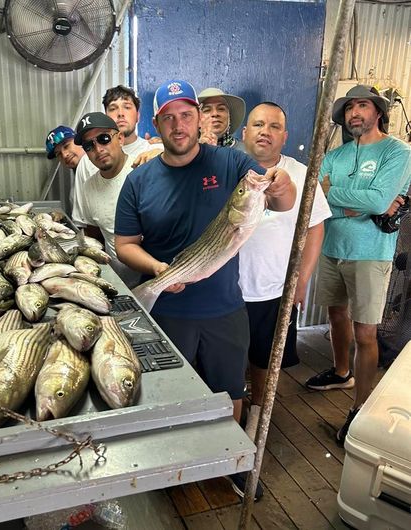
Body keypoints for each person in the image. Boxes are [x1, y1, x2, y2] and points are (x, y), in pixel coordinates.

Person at [114, 80, 296, 500]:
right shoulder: (139, 180)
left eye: (186, 115)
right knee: (167, 394)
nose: (179, 125)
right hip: (166, 310)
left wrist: (282, 186)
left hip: (224, 308)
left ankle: (226, 462)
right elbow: (125, 246)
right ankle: (173, 465)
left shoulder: (232, 164)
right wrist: (160, 269)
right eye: (169, 118)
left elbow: (281, 202)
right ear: (155, 123)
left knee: (229, 390)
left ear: (198, 117)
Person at [304, 85, 411, 445]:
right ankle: (340, 371)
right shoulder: (334, 156)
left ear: (377, 111)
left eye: (362, 105)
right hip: (333, 246)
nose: (354, 113)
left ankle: (360, 408)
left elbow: (381, 201)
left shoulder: (397, 152)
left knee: (366, 333)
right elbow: (315, 199)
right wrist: (352, 204)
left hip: (371, 253)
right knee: (336, 315)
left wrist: (338, 196)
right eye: (349, 107)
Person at [238, 102, 332, 440]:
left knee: (265, 361)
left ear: (285, 136)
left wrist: (302, 280)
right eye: (258, 124)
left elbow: (315, 228)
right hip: (227, 291)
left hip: (274, 288)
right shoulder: (229, 167)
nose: (265, 131)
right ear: (244, 132)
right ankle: (232, 415)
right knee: (229, 363)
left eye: (274, 126)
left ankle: (258, 420)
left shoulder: (302, 175)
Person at [72, 85, 162, 227]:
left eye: (127, 107)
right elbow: (87, 224)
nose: (120, 114)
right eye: (113, 108)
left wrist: (164, 154)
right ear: (105, 116)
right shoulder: (87, 164)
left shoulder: (155, 152)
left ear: (138, 115)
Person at [73, 112, 140, 287]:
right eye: (89, 146)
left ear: (120, 138)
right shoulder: (89, 187)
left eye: (103, 138)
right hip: (117, 284)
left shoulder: (142, 172)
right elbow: (94, 235)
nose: (98, 149)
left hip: (154, 279)